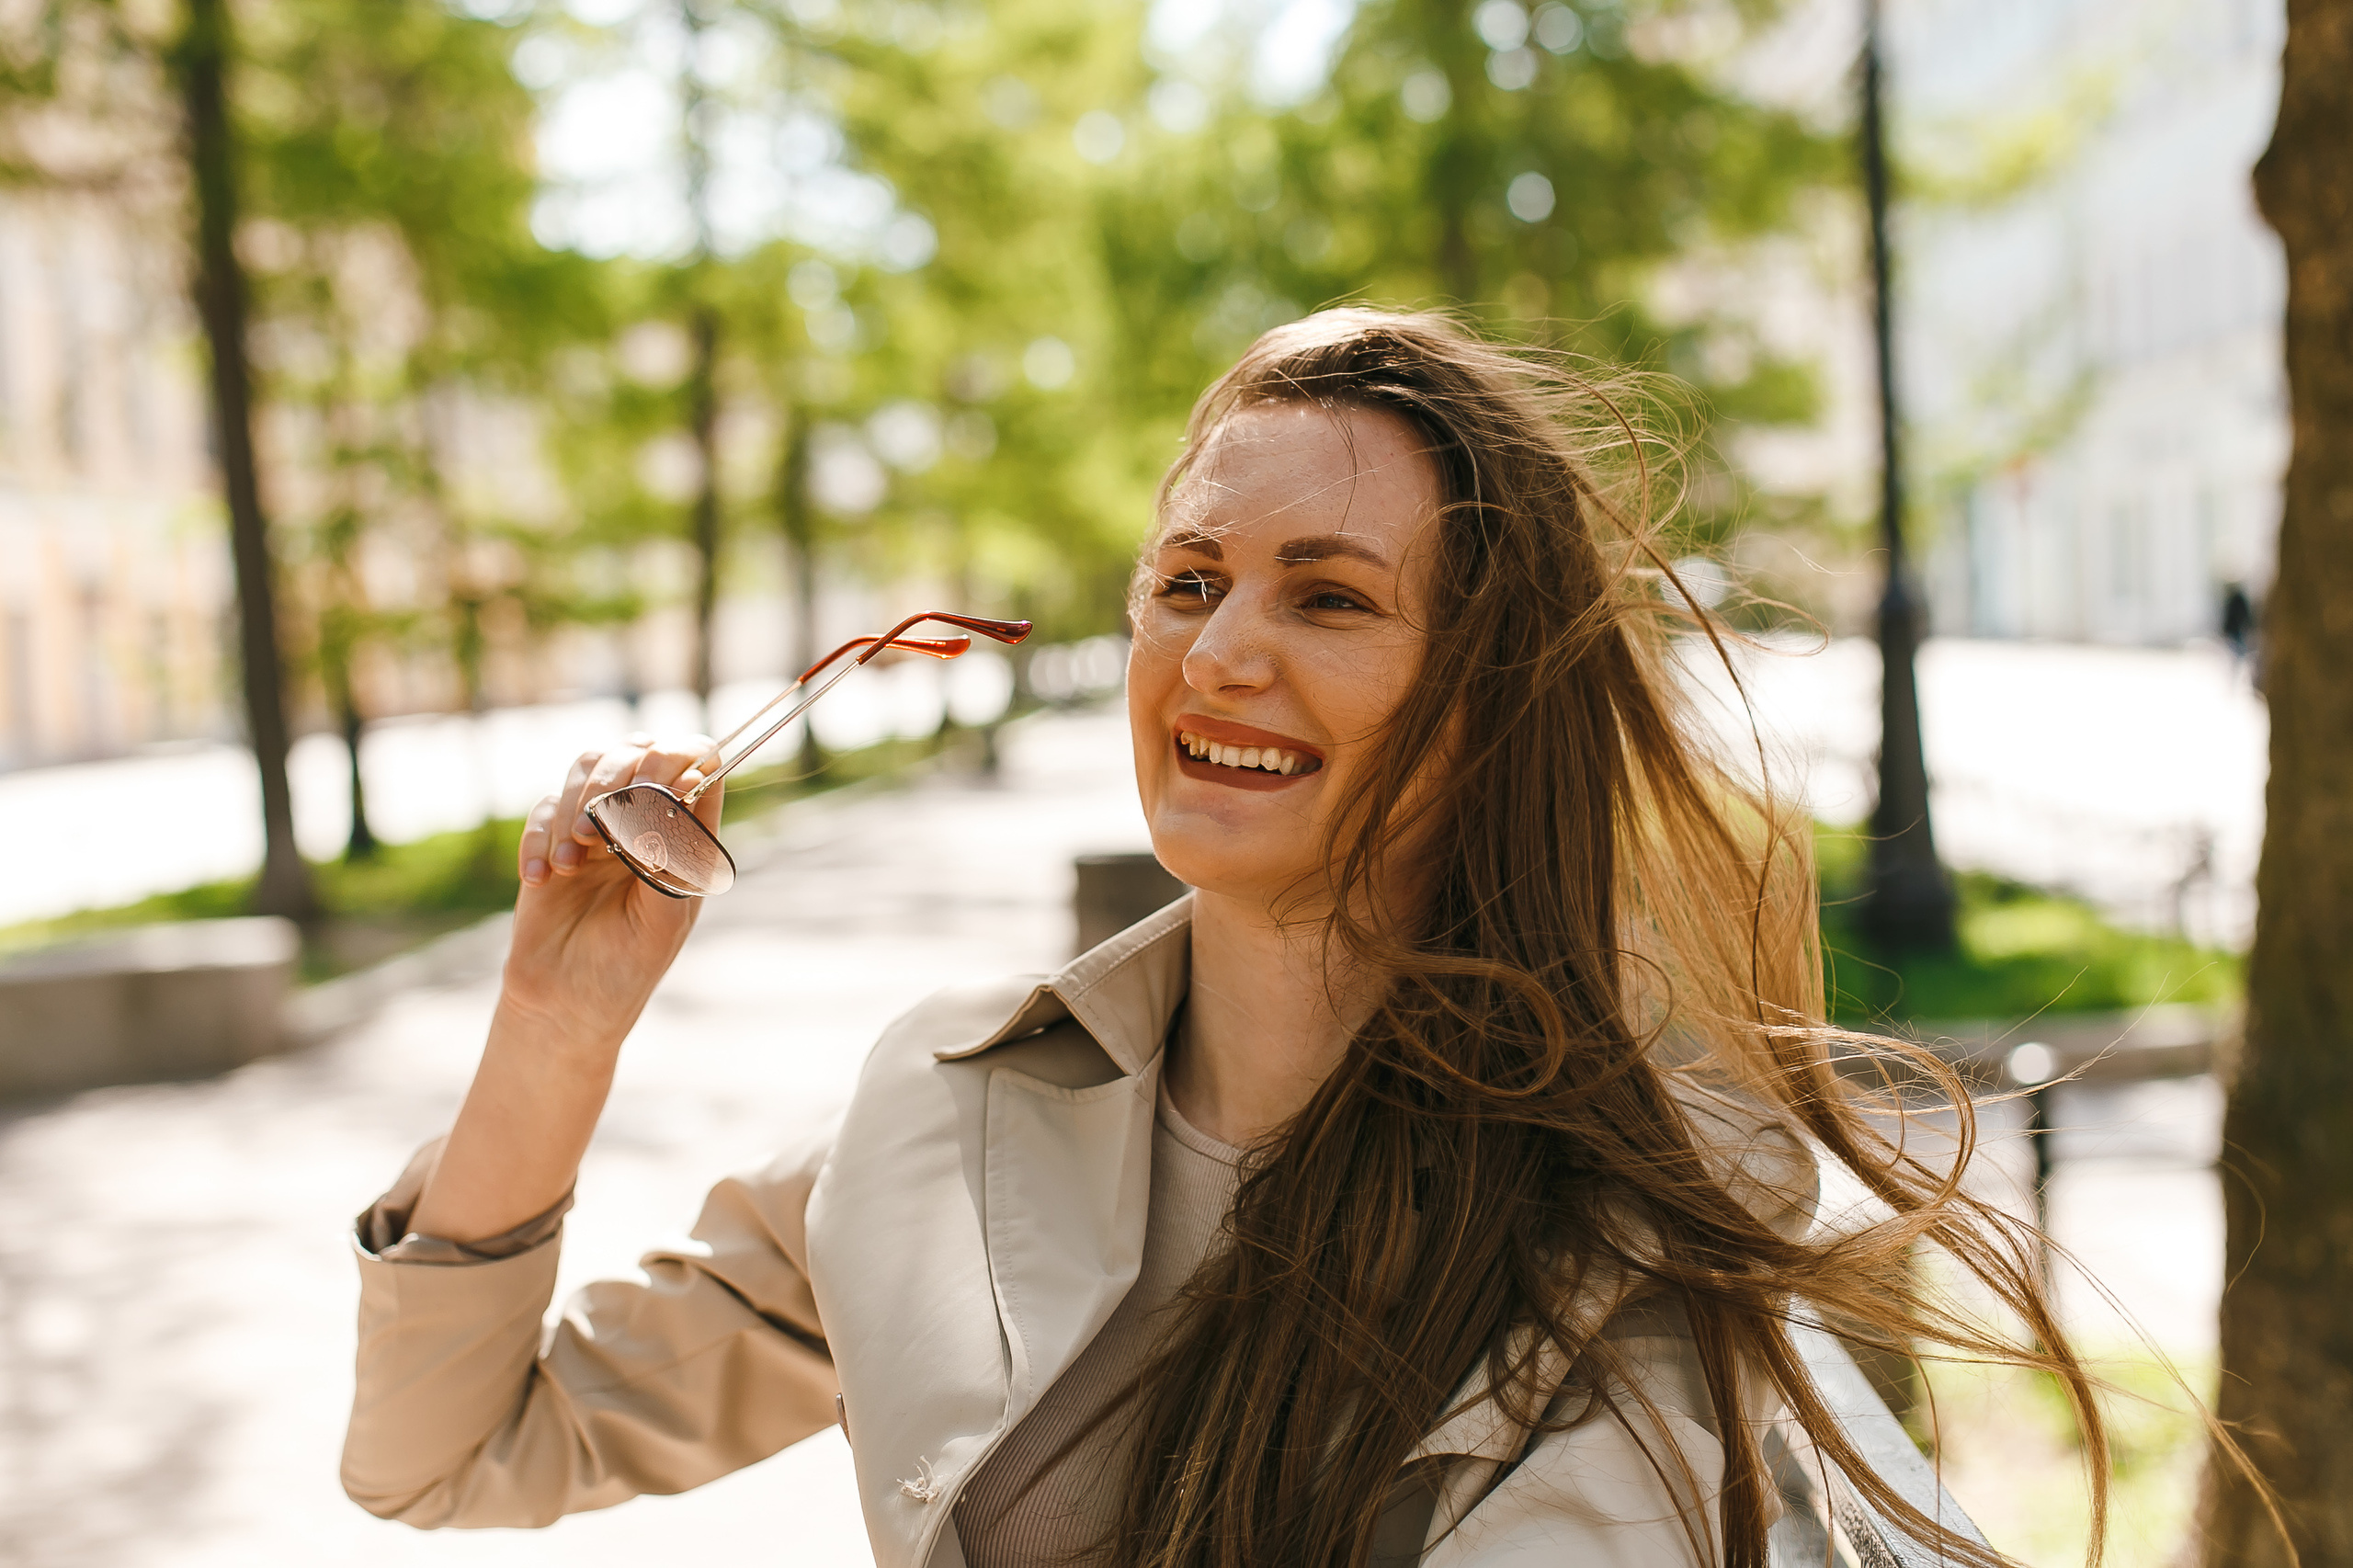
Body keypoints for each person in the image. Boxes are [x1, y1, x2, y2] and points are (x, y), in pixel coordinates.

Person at [342, 310, 2097, 1567]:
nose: (1220, 652)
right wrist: (558, 1021)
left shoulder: (1639, 1229)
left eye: (1328, 596)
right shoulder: (942, 1103)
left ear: (1487, 701)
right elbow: (448, 1454)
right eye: (1188, 583)